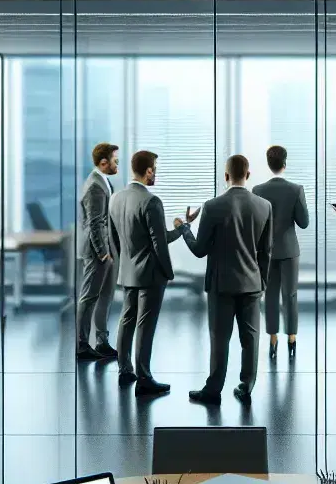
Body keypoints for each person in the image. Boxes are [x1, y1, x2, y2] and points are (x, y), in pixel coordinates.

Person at [181, 153, 273, 406]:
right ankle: (247, 385)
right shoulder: (264, 206)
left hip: (221, 285)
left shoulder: (212, 206)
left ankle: (213, 390)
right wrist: (262, 281)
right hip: (252, 283)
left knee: (219, 338)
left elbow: (200, 249)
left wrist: (184, 229)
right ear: (248, 175)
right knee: (250, 338)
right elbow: (267, 251)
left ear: (225, 176)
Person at [108, 149, 190, 398]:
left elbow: (116, 238)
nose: (157, 174)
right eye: (156, 169)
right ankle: (144, 378)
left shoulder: (116, 199)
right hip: (151, 274)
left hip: (128, 270)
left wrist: (183, 227)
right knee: (145, 324)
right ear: (149, 170)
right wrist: (168, 273)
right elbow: (158, 244)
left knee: (127, 319)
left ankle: (125, 370)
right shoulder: (151, 201)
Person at [251, 144, 309, 363]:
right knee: (290, 295)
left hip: (266, 251)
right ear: (285, 164)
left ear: (268, 163)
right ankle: (292, 338)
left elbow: (255, 224)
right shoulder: (296, 189)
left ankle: (273, 339)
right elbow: (303, 223)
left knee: (271, 295)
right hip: (289, 250)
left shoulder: (257, 190)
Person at [76, 142, 119, 362]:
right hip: (97, 251)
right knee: (89, 297)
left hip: (106, 249)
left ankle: (102, 342)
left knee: (105, 297)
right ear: (103, 163)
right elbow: (95, 222)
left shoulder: (103, 181)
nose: (117, 164)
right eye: (115, 160)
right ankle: (82, 345)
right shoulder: (95, 185)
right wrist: (103, 253)